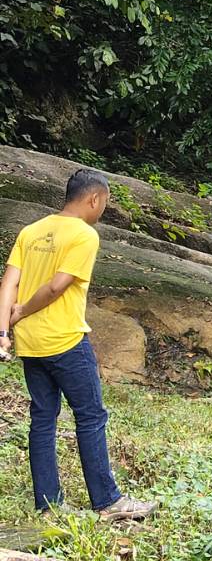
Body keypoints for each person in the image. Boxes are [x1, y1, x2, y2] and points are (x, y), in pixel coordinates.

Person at [0, 169, 154, 520]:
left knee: (42, 418)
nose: (102, 211)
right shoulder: (84, 235)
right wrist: (22, 309)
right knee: (91, 416)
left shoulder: (32, 231)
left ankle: (48, 505)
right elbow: (56, 287)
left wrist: (4, 330)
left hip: (30, 343)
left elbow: (7, 283)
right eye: (104, 204)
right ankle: (108, 501)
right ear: (94, 199)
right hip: (66, 339)